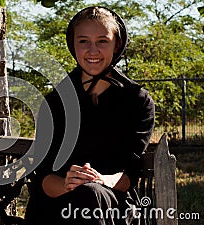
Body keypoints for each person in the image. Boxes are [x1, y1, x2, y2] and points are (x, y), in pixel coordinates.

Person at [25, 6, 155, 225]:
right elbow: (44, 176)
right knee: (81, 195)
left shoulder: (137, 100)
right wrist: (68, 183)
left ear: (117, 44)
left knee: (89, 195)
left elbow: (128, 175)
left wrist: (100, 179)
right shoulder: (55, 102)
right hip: (57, 202)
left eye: (102, 41)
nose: (92, 50)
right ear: (73, 45)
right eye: (83, 41)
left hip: (112, 204)